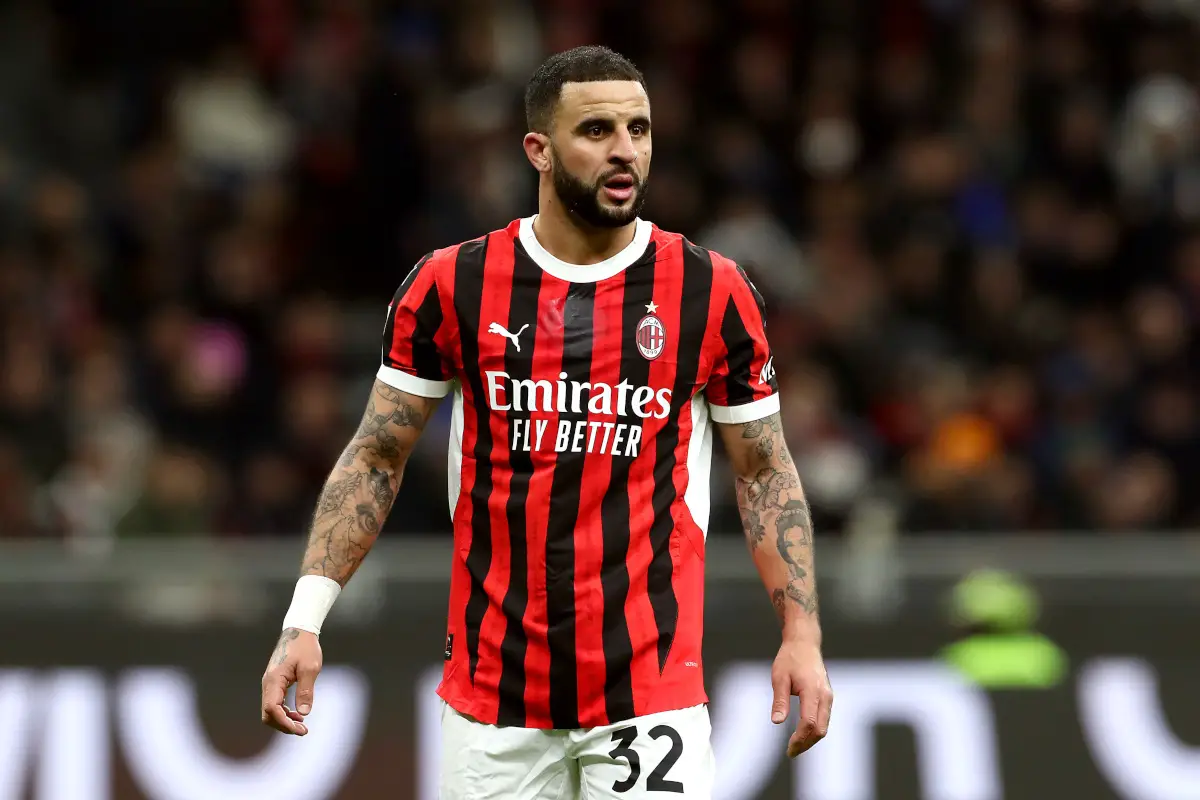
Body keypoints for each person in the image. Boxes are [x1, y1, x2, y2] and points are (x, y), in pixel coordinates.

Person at [260, 45, 833, 799]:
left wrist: (802, 634)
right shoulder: (452, 283)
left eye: (638, 129)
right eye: (596, 130)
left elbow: (764, 470)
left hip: (648, 693)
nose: (625, 150)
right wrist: (304, 620)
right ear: (538, 149)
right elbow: (376, 456)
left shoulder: (710, 290)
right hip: (491, 698)